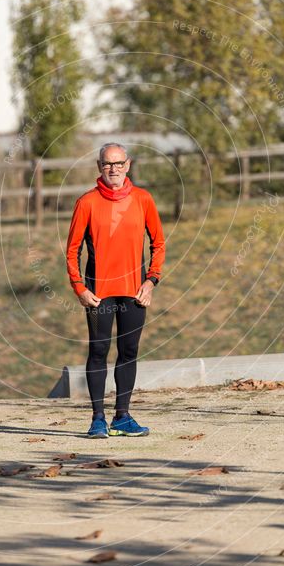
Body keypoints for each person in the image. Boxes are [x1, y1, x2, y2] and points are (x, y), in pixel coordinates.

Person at [66, 143, 166, 438]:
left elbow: (158, 244)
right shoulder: (86, 202)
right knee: (98, 350)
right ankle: (98, 418)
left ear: (128, 164)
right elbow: (72, 251)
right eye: (108, 164)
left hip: (134, 290)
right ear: (99, 166)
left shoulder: (143, 199)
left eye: (118, 163)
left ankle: (122, 416)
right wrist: (80, 289)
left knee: (129, 351)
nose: (113, 169)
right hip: (98, 291)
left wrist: (151, 280)